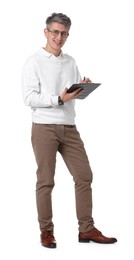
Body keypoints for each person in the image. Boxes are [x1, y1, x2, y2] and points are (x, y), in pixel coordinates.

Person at [21, 12, 117, 248]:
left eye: (63, 33)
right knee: (46, 181)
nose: (59, 37)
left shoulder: (70, 61)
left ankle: (86, 229)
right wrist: (58, 99)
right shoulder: (33, 62)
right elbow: (29, 98)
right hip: (44, 127)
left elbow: (72, 94)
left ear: (67, 35)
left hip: (69, 127)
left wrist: (82, 88)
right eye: (55, 32)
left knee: (84, 176)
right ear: (46, 32)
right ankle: (46, 231)